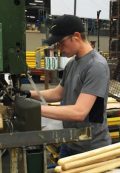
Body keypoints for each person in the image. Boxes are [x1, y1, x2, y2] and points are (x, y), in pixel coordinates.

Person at [27, 14, 111, 157]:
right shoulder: (72, 63)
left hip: (91, 148)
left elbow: (79, 112)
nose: (59, 48)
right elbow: (58, 94)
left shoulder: (96, 66)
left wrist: (33, 109)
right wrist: (28, 95)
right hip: (70, 141)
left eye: (61, 43)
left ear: (76, 36)